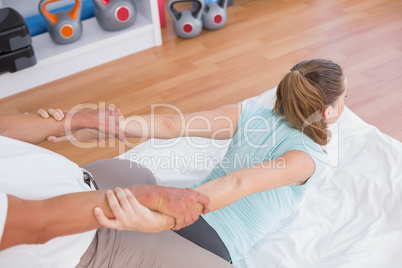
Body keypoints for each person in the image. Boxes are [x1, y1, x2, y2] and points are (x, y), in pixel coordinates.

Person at [48, 59, 347, 265]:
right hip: (208, 238)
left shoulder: (250, 115)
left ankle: (71, 128)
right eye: (343, 98)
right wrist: (165, 220)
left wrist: (103, 125)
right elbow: (238, 182)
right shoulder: (308, 158)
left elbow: (169, 125)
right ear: (326, 113)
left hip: (173, 206)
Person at [0, 108, 234, 267]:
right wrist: (147, 198)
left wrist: (73, 120)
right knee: (219, 257)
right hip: (76, 245)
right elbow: (39, 223)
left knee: (139, 173)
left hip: (83, 184)